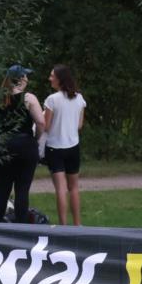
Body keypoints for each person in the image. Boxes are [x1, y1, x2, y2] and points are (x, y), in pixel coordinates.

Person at [0, 64, 44, 223]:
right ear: (20, 80)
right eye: (25, 76)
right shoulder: (28, 98)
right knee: (22, 189)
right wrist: (36, 139)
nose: (27, 79)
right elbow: (41, 122)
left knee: (1, 190)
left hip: (3, 146)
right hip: (25, 145)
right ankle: (21, 228)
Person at [42, 65, 86, 226]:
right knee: (73, 187)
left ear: (60, 79)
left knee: (61, 188)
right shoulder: (79, 98)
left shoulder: (51, 100)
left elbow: (46, 126)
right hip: (73, 147)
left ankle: (63, 226)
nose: (49, 78)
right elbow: (79, 125)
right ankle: (78, 224)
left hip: (55, 148)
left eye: (52, 76)